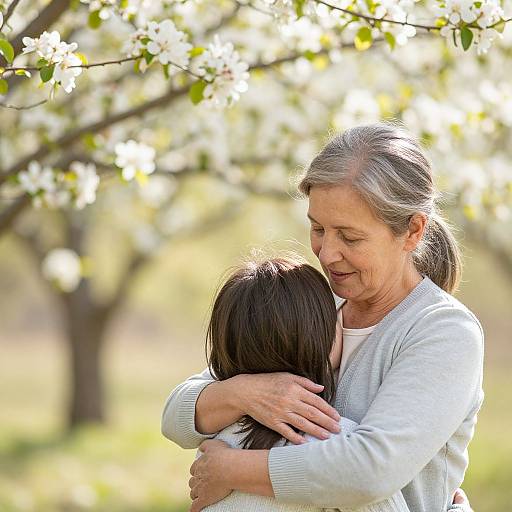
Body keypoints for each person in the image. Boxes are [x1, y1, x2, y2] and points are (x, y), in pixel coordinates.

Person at [162, 122, 483, 512]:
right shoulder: (316, 305)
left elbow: (369, 472)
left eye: (349, 237)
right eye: (318, 229)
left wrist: (231, 468)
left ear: (413, 230)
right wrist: (242, 392)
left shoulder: (443, 331)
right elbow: (177, 416)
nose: (327, 254)